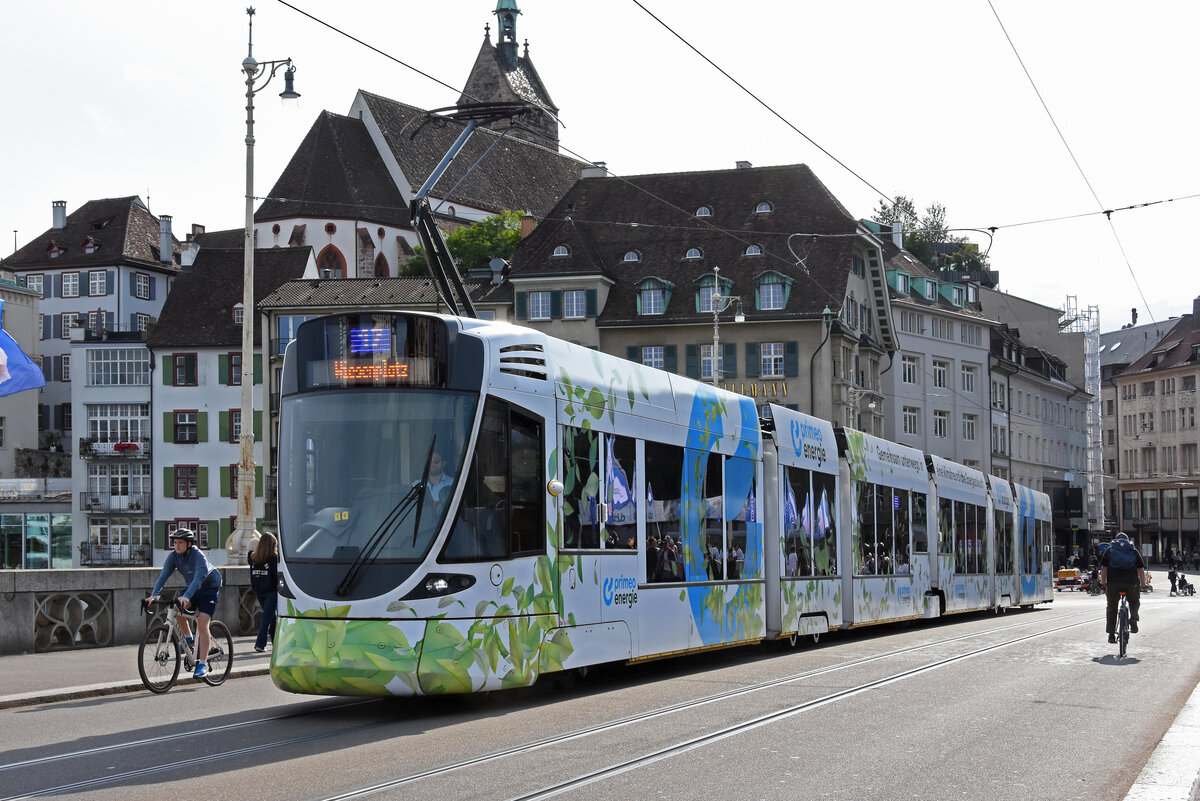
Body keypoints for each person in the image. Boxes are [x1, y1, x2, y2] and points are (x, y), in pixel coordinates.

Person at [146, 529, 222, 678]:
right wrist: (153, 595)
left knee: (202, 623)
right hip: (193, 587)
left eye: (180, 543)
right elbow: (163, 576)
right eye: (175, 543)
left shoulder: (198, 555)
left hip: (209, 589)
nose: (177, 546)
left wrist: (186, 596)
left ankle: (202, 664)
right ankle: (188, 638)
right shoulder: (174, 557)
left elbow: (199, 578)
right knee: (176, 608)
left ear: (189, 544)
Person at [1100, 532, 1145, 645]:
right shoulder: (1133, 550)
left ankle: (1111, 635)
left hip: (1113, 583)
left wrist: (1104, 583)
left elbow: (1104, 568)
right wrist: (1143, 585)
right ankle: (1133, 618)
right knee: (1134, 601)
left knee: (1112, 607)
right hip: (1131, 583)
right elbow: (1141, 570)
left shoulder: (1110, 550)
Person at [249, 532, 279, 653]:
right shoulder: (273, 558)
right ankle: (260, 644)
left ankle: (277, 642)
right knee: (267, 619)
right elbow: (275, 576)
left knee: (271, 618)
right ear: (273, 545)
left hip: (259, 591)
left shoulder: (252, 557)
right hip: (271, 591)